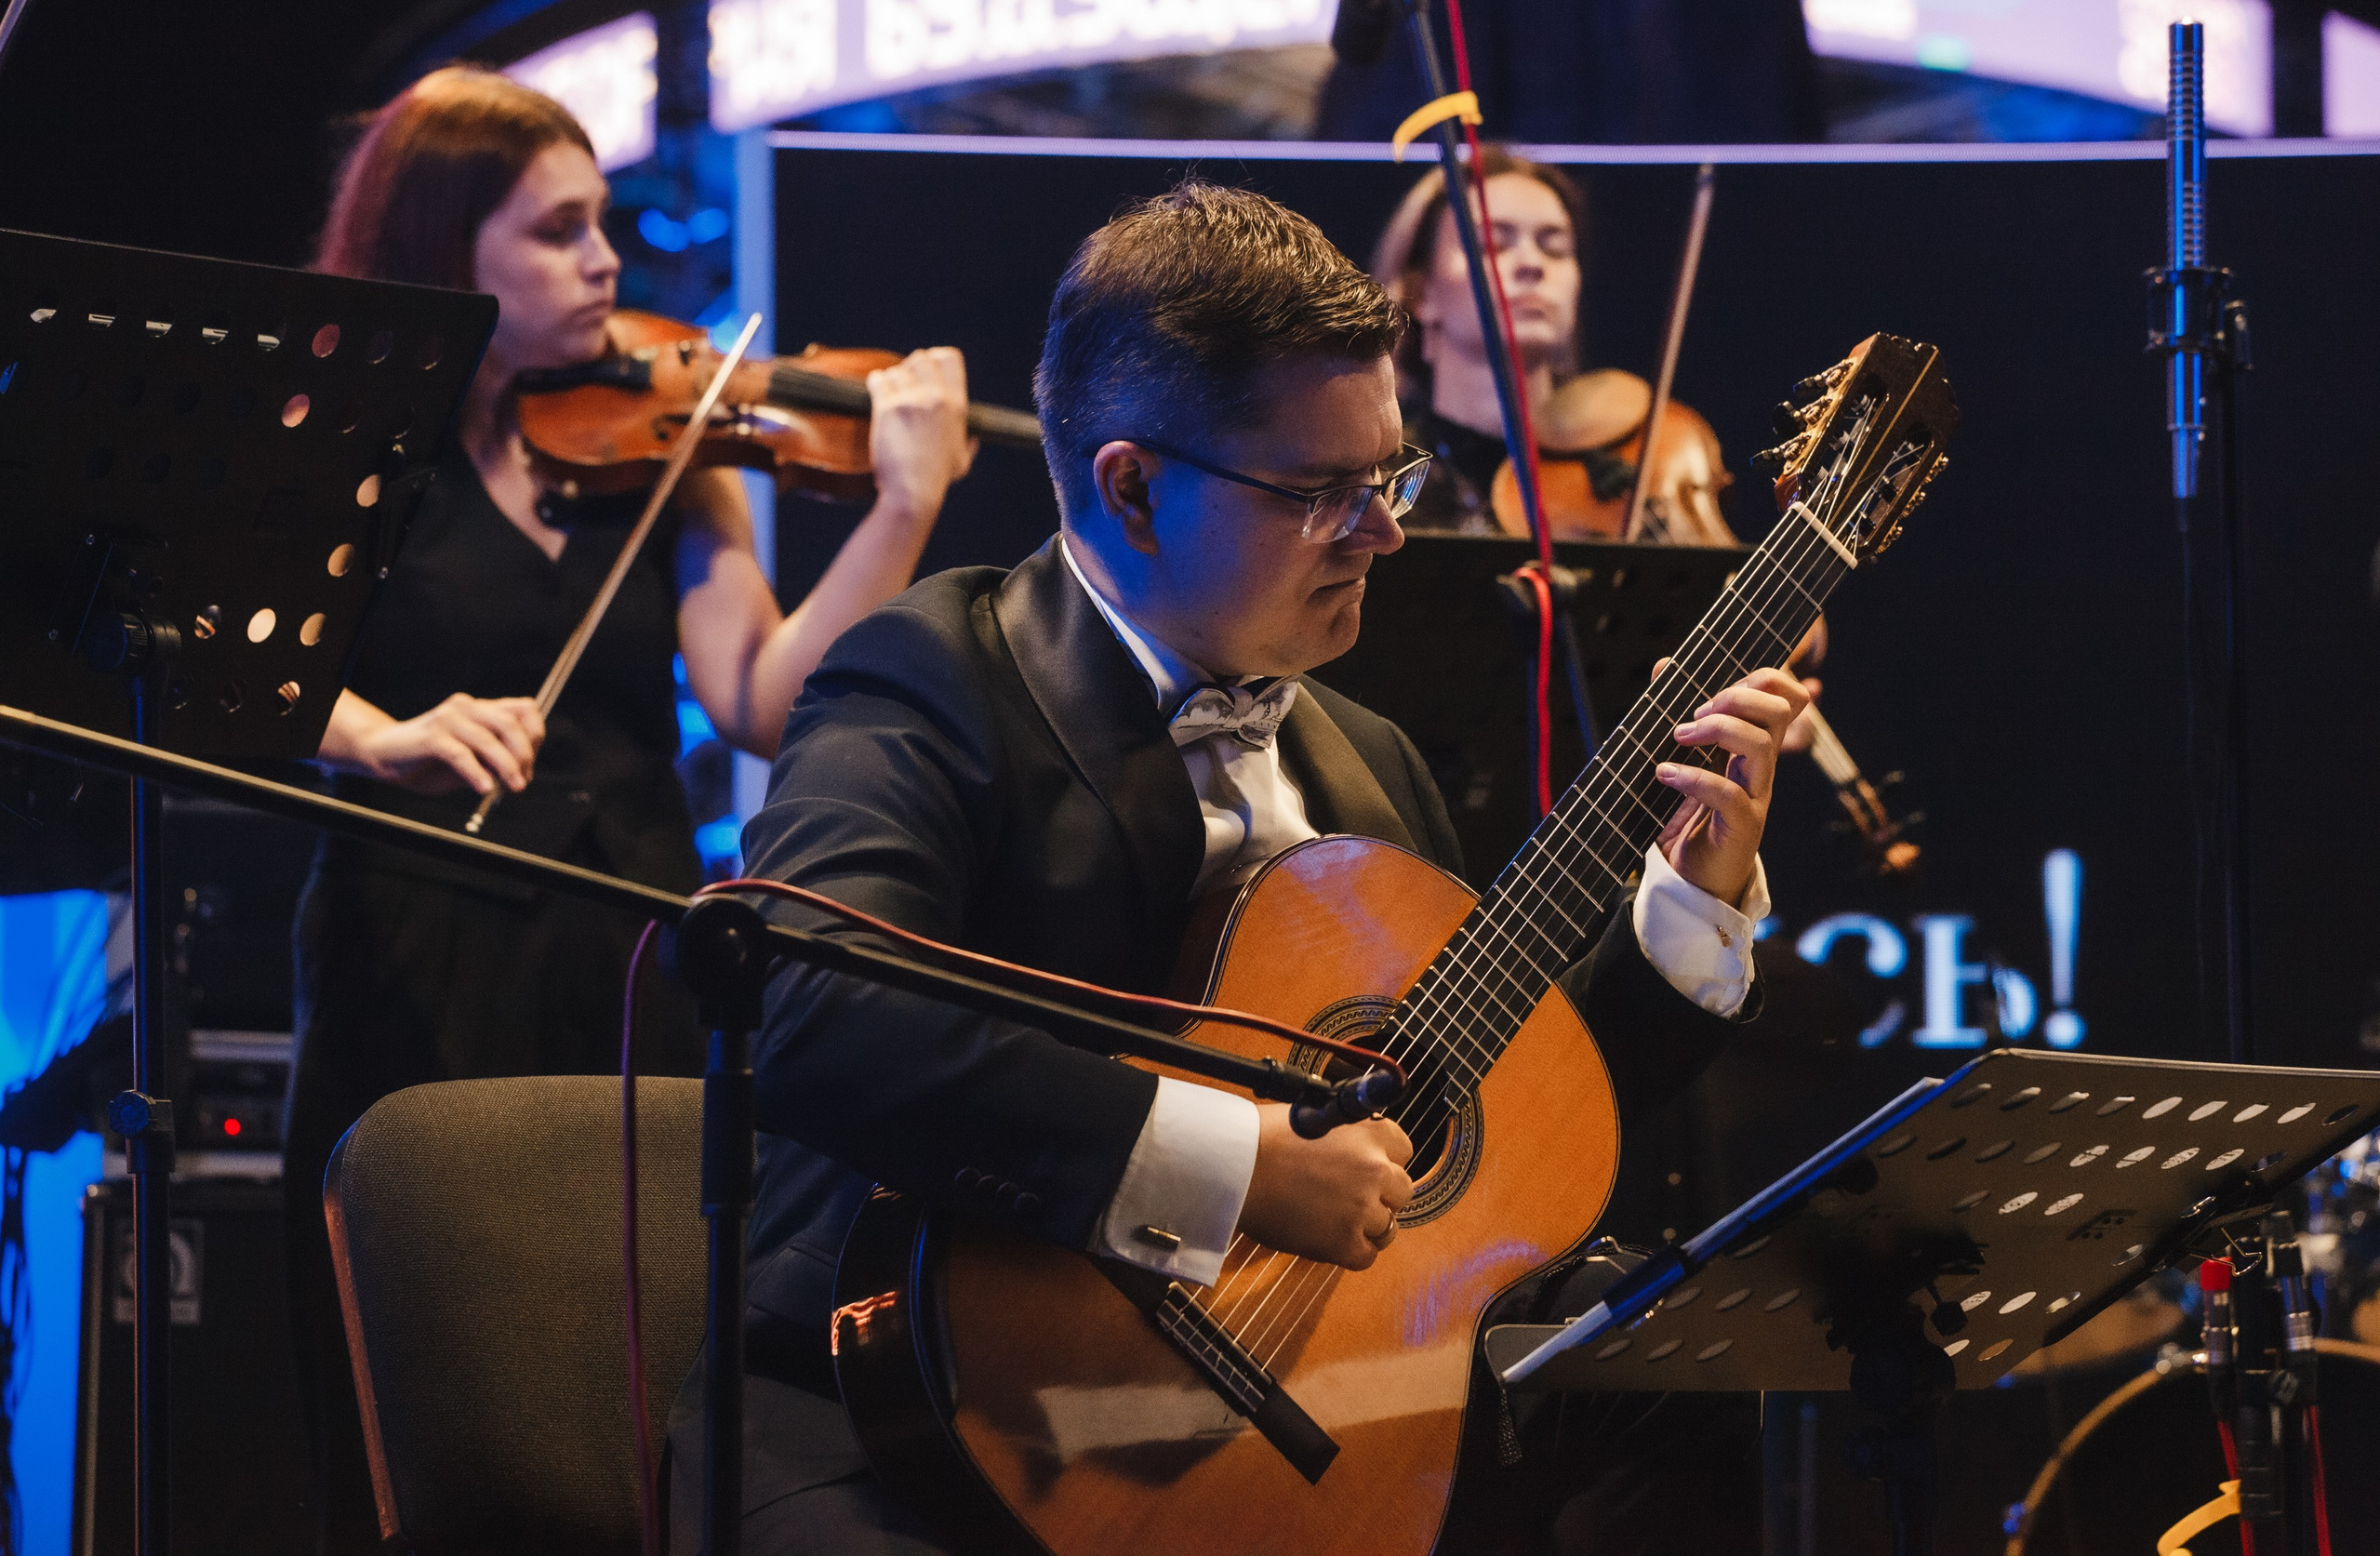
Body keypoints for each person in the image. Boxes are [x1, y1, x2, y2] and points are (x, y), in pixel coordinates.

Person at [684, 181, 1804, 1553]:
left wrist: (1690, 901)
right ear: (1133, 487)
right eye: (1322, 490)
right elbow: (820, 1013)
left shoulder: (1370, 762)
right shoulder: (931, 675)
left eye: (1384, 476)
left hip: (1300, 1403)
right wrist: (1232, 1166)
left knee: (1682, 1370)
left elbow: (1502, 1149)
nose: (1386, 531)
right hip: (915, 1410)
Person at [286, 66, 977, 1552]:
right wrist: (386, 736)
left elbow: (766, 695)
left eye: (602, 223)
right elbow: (265, 670)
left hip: (637, 949)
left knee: (632, 1355)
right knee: (425, 1371)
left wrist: (903, 510)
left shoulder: (671, 446)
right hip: (417, 943)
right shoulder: (341, 440)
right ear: (440, 249)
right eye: (558, 231)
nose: (606, 259)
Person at [1371, 146, 1735, 547]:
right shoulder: (1382, 483)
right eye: (1494, 243)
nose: (1532, 263)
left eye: (1555, 246)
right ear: (1421, 294)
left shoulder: (1631, 469)